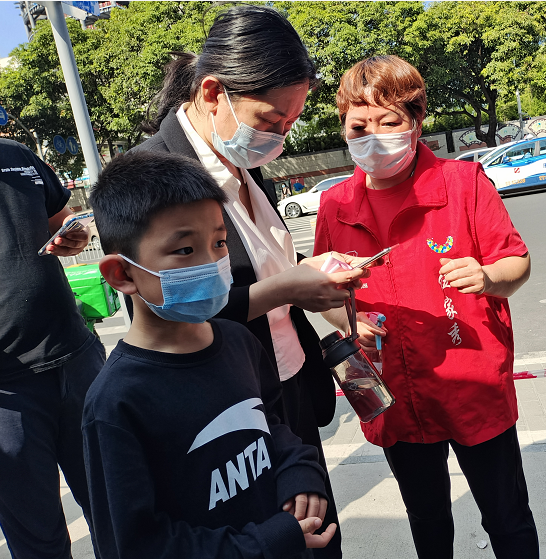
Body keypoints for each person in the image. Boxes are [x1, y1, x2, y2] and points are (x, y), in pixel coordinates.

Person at [133, 6, 371, 556]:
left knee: (319, 537)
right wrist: (289, 287)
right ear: (213, 92)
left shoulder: (244, 162)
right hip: (227, 410)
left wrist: (317, 282)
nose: (278, 139)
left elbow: (266, 266)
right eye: (269, 121)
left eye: (290, 125)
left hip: (285, 389)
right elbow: (175, 314)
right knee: (270, 541)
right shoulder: (154, 174)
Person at [313, 56, 538, 559]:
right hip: (391, 385)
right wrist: (352, 320)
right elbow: (326, 293)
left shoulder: (464, 183)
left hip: (470, 378)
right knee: (427, 516)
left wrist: (485, 276)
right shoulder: (336, 206)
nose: (374, 136)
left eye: (389, 121)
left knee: (506, 514)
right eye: (359, 125)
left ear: (415, 122)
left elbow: (516, 265)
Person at [84, 151, 337, 559]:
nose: (213, 262)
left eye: (219, 242)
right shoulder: (116, 403)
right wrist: (266, 543)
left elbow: (271, 426)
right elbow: (136, 544)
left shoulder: (239, 342)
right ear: (122, 273)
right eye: (184, 250)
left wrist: (298, 472)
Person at [0, 138, 106, 557]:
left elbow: (64, 221)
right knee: (39, 540)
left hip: (78, 359)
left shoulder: (16, 156)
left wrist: (74, 235)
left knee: (117, 507)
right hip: (8, 396)